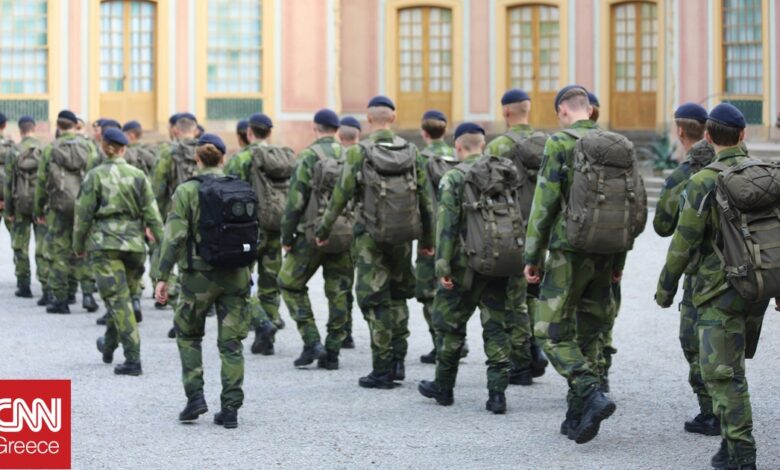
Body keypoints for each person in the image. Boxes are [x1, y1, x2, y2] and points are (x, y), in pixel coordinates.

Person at [656, 104, 767, 470]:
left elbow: (683, 241)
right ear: (743, 135)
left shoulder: (703, 180)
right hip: (758, 286)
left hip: (718, 291)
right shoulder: (764, 174)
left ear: (707, 136)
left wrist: (665, 288)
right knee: (731, 368)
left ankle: (742, 456)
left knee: (723, 375)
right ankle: (729, 447)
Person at [524, 85, 634, 444]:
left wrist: (532, 256)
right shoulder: (619, 144)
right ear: (589, 109)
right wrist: (620, 258)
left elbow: (544, 202)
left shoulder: (558, 143)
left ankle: (589, 390)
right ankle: (577, 416)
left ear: (562, 111)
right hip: (608, 250)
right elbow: (629, 205)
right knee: (589, 332)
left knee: (548, 328)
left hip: (568, 250)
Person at [314, 96, 434, 389]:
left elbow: (341, 195)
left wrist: (324, 228)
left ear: (368, 120)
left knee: (374, 299)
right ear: (393, 118)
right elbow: (426, 199)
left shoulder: (359, 152)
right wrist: (428, 238)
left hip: (370, 236)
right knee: (398, 295)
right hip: (404, 235)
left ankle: (382, 370)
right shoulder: (412, 151)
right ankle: (398, 361)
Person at [418, 122, 520, 414]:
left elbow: (446, 225)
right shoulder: (503, 172)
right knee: (496, 327)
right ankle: (497, 395)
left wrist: (442, 265)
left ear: (458, 147)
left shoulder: (453, 177)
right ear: (483, 145)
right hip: (498, 260)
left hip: (463, 266)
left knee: (450, 326)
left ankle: (443, 387)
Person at [154, 134, 254, 429]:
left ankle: (195, 398)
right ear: (224, 158)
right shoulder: (241, 187)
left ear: (196, 159)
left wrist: (162, 276)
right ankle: (231, 409)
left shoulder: (187, 190)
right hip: (236, 273)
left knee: (188, 335)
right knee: (231, 344)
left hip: (198, 277)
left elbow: (174, 237)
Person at [653, 102, 720, 436]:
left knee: (692, 340)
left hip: (700, 273)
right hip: (740, 268)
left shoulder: (683, 175)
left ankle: (711, 411)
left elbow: (663, 227)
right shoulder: (730, 167)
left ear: (680, 132)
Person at [73, 128, 162, 376]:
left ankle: (133, 358)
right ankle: (109, 345)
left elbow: (83, 215)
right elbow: (153, 214)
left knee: (118, 300)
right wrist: (164, 246)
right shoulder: (138, 175)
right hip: (134, 245)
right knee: (122, 298)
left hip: (105, 245)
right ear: (123, 149)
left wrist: (78, 245)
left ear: (104, 147)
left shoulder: (95, 176)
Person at [277, 109, 354, 370]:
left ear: (315, 127)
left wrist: (287, 236)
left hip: (310, 234)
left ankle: (312, 341)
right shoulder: (351, 155)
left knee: (289, 283)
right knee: (339, 291)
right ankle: (333, 352)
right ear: (337, 130)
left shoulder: (308, 156)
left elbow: (295, 201)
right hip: (345, 233)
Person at [485, 89, 547, 384]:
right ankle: (535, 347)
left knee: (513, 300)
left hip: (509, 232)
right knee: (532, 293)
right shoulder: (546, 143)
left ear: (505, 112)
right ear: (527, 110)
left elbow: (485, 189)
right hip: (540, 230)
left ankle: (521, 363)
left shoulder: (498, 145)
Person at [225, 112, 291, 337]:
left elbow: (228, 194)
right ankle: (271, 322)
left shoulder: (240, 158)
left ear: (249, 132)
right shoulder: (281, 157)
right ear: (270, 133)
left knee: (240, 278)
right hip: (275, 225)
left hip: (247, 230)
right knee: (270, 281)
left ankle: (260, 323)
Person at [34, 110, 101, 314]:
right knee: (85, 249)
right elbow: (97, 177)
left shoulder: (51, 148)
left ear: (58, 126)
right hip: (85, 208)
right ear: (75, 125)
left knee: (59, 252)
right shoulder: (89, 147)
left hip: (59, 208)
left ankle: (61, 300)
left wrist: (39, 209)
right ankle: (88, 294)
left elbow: (41, 181)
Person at [415, 109, 457, 365]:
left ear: (424, 133)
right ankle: (457, 341)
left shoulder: (420, 158)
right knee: (453, 290)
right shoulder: (456, 155)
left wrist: (426, 240)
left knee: (428, 293)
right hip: (458, 234)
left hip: (432, 235)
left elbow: (423, 203)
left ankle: (442, 344)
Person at [152, 113, 199, 319]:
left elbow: (158, 188)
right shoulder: (206, 149)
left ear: (176, 131)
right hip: (203, 216)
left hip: (175, 215)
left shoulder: (168, 153)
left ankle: (178, 308)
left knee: (168, 261)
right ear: (195, 131)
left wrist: (155, 219)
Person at [4, 116, 46, 299]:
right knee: (42, 245)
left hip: (19, 204)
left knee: (20, 246)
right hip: (41, 207)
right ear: (34, 128)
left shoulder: (14, 151)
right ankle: (46, 286)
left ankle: (24, 285)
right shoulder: (45, 149)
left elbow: (8, 183)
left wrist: (9, 210)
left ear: (20, 130)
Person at [336, 116, 362, 349]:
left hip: (335, 226)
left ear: (339, 135)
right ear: (358, 135)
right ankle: (348, 332)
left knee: (337, 284)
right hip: (358, 228)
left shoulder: (333, 156)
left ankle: (341, 332)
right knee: (348, 282)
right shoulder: (367, 156)